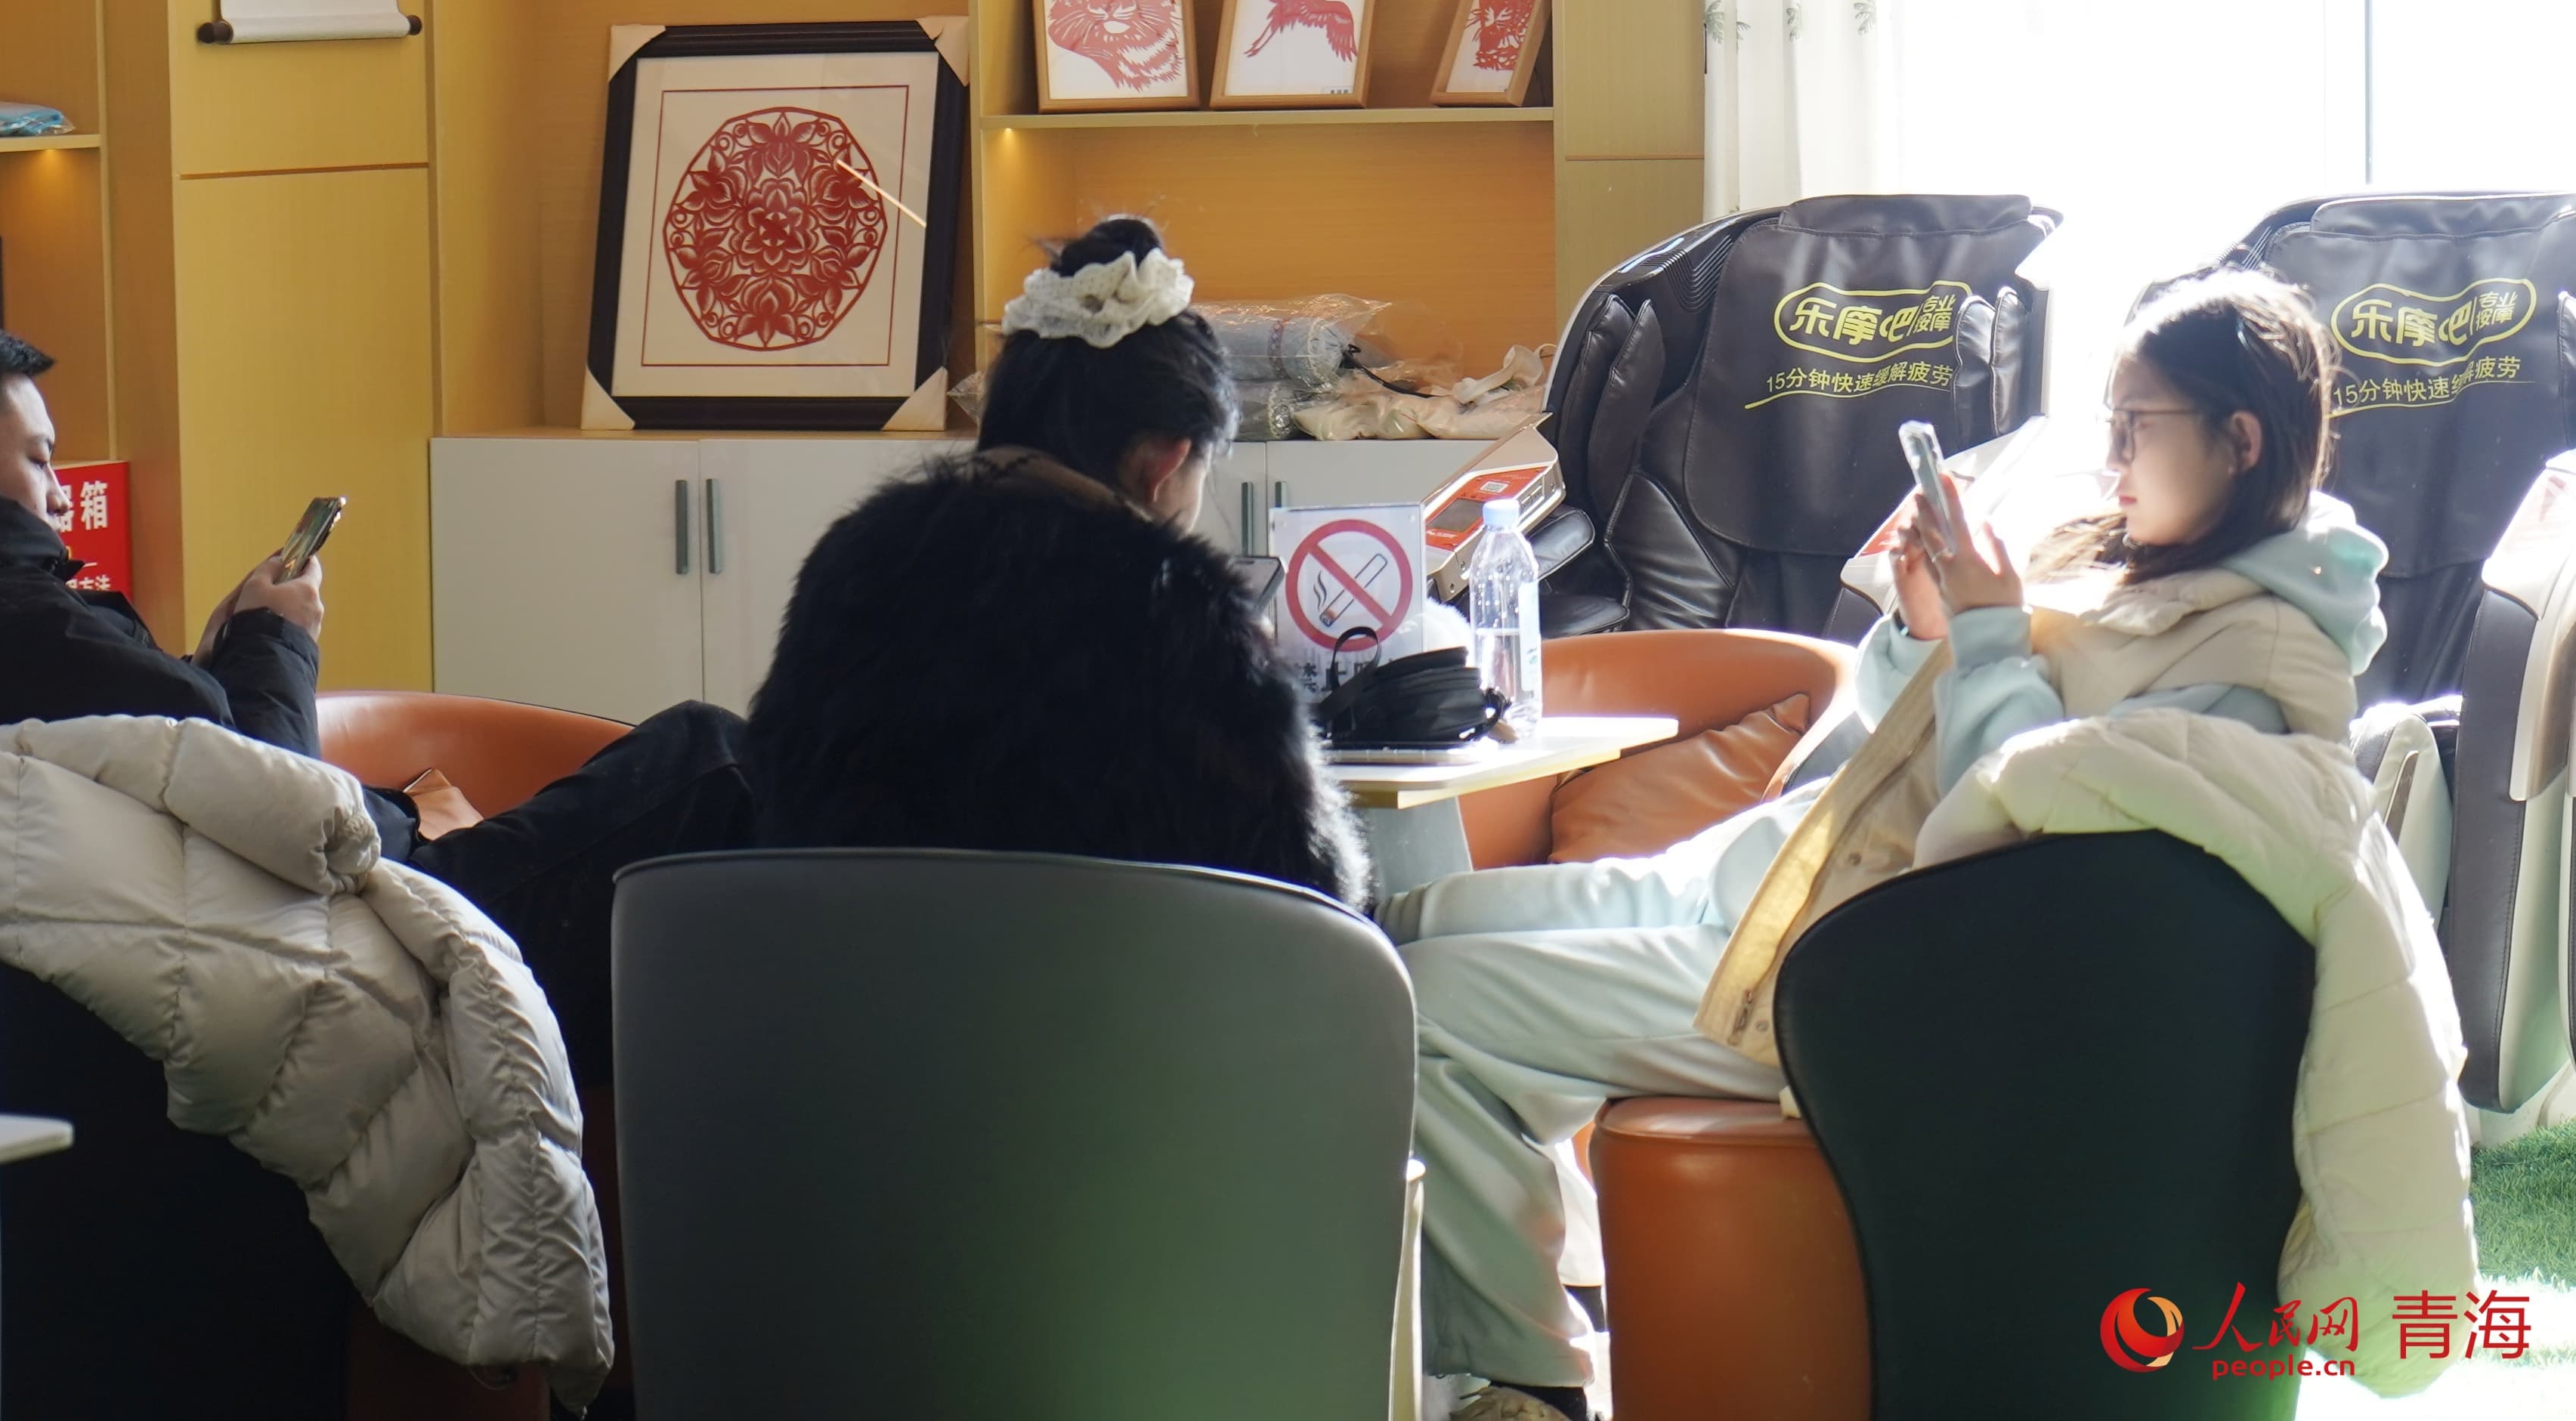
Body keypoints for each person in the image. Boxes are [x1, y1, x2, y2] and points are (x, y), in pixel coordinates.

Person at [1388, 270, 2386, 1421]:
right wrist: (1927, 629)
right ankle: (1535, 1280)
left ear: (2240, 440)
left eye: (2136, 426)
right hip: (1783, 884)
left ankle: (1528, 1379)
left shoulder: (2256, 662)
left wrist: (1990, 633)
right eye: (2109, 424)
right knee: (1399, 931)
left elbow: (2039, 849)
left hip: (1862, 974)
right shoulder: (2148, 570)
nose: (2112, 458)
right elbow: (1910, 740)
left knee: (1414, 1005)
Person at [0, 315, 752, 1081]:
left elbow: (160, 741)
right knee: (709, 757)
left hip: (208, 923)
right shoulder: (10, 622)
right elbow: (282, 795)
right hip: (351, 928)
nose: (58, 490)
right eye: (37, 457)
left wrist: (215, 662)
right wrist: (278, 637)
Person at [745, 216, 1367, 903]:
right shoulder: (1183, 614)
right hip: (1118, 974)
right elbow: (1313, 887)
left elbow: (778, 798)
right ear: (1165, 462)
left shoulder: (852, 558)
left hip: (851, 965)